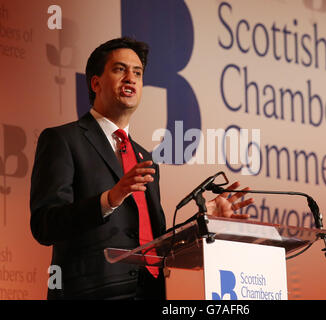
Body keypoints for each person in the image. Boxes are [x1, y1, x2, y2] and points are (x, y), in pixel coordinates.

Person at [30, 37, 253, 300]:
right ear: (95, 82)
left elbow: (152, 240)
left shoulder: (144, 158)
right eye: (119, 69)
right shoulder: (63, 140)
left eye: (137, 73)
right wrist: (109, 199)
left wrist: (202, 219)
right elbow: (45, 225)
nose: (130, 78)